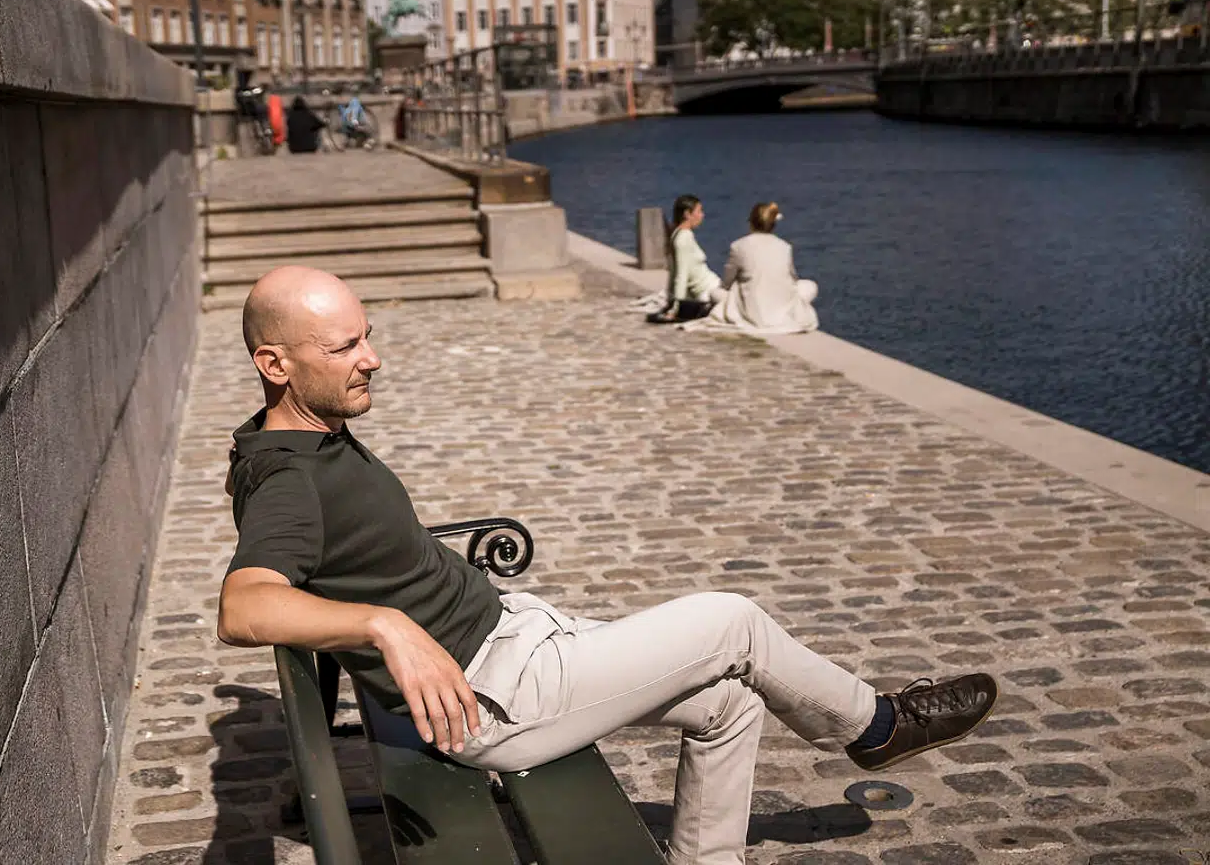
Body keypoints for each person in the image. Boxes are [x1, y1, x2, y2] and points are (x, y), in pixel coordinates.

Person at [218, 266, 999, 865]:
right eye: (346, 346)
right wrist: (383, 625)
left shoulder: (292, 434)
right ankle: (877, 727)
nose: (373, 359)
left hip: (514, 642)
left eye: (367, 335)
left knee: (731, 703)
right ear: (275, 363)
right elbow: (245, 606)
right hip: (498, 696)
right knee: (735, 621)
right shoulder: (288, 478)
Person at [712, 201, 820, 335]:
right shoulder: (785, 247)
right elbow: (793, 278)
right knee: (810, 286)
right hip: (781, 307)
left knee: (714, 293)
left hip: (751, 308)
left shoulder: (738, 246)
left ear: (751, 223)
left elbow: (727, 282)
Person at [651, 194, 724, 324]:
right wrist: (676, 305)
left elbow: (673, 271)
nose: (702, 215)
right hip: (707, 290)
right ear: (687, 214)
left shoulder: (678, 234)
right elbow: (681, 274)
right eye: (699, 211)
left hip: (711, 286)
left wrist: (670, 296)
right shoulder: (684, 239)